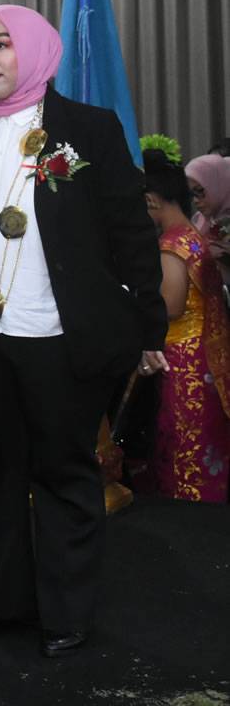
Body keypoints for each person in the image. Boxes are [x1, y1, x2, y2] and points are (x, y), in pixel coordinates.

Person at [0, 4, 168, 659]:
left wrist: (148, 323)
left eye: (3, 44)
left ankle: (65, 610)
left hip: (56, 335)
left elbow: (130, 230)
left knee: (65, 471)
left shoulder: (85, 131)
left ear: (36, 50)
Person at [141, 151, 230, 501]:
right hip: (205, 353)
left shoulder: (170, 245)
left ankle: (188, 514)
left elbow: (172, 307)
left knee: (186, 442)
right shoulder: (193, 234)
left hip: (183, 361)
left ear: (151, 200)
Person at [186, 153, 230, 287]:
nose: (196, 201)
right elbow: (191, 249)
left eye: (200, 192)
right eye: (192, 194)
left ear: (220, 184)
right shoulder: (199, 220)